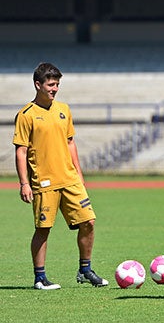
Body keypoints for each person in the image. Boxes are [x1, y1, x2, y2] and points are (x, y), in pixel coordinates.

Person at [13, 62, 109, 290]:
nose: (55, 89)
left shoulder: (64, 109)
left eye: (57, 84)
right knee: (43, 229)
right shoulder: (26, 115)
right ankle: (40, 278)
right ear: (38, 85)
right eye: (51, 84)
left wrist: (79, 174)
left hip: (70, 180)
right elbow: (21, 150)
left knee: (89, 222)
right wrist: (24, 183)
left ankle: (85, 270)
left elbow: (70, 143)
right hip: (44, 182)